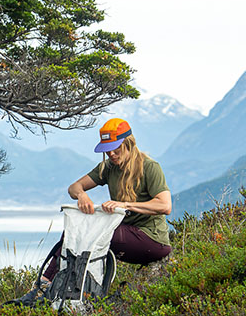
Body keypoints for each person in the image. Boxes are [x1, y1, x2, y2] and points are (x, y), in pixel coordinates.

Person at [33, 117, 173, 295]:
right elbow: (73, 187)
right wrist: (82, 195)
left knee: (94, 232)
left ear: (128, 143)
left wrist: (125, 205)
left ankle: (63, 287)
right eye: (107, 151)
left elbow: (165, 205)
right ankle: (50, 284)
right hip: (125, 234)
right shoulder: (108, 167)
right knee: (76, 229)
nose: (111, 155)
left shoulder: (150, 167)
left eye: (115, 149)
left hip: (152, 240)